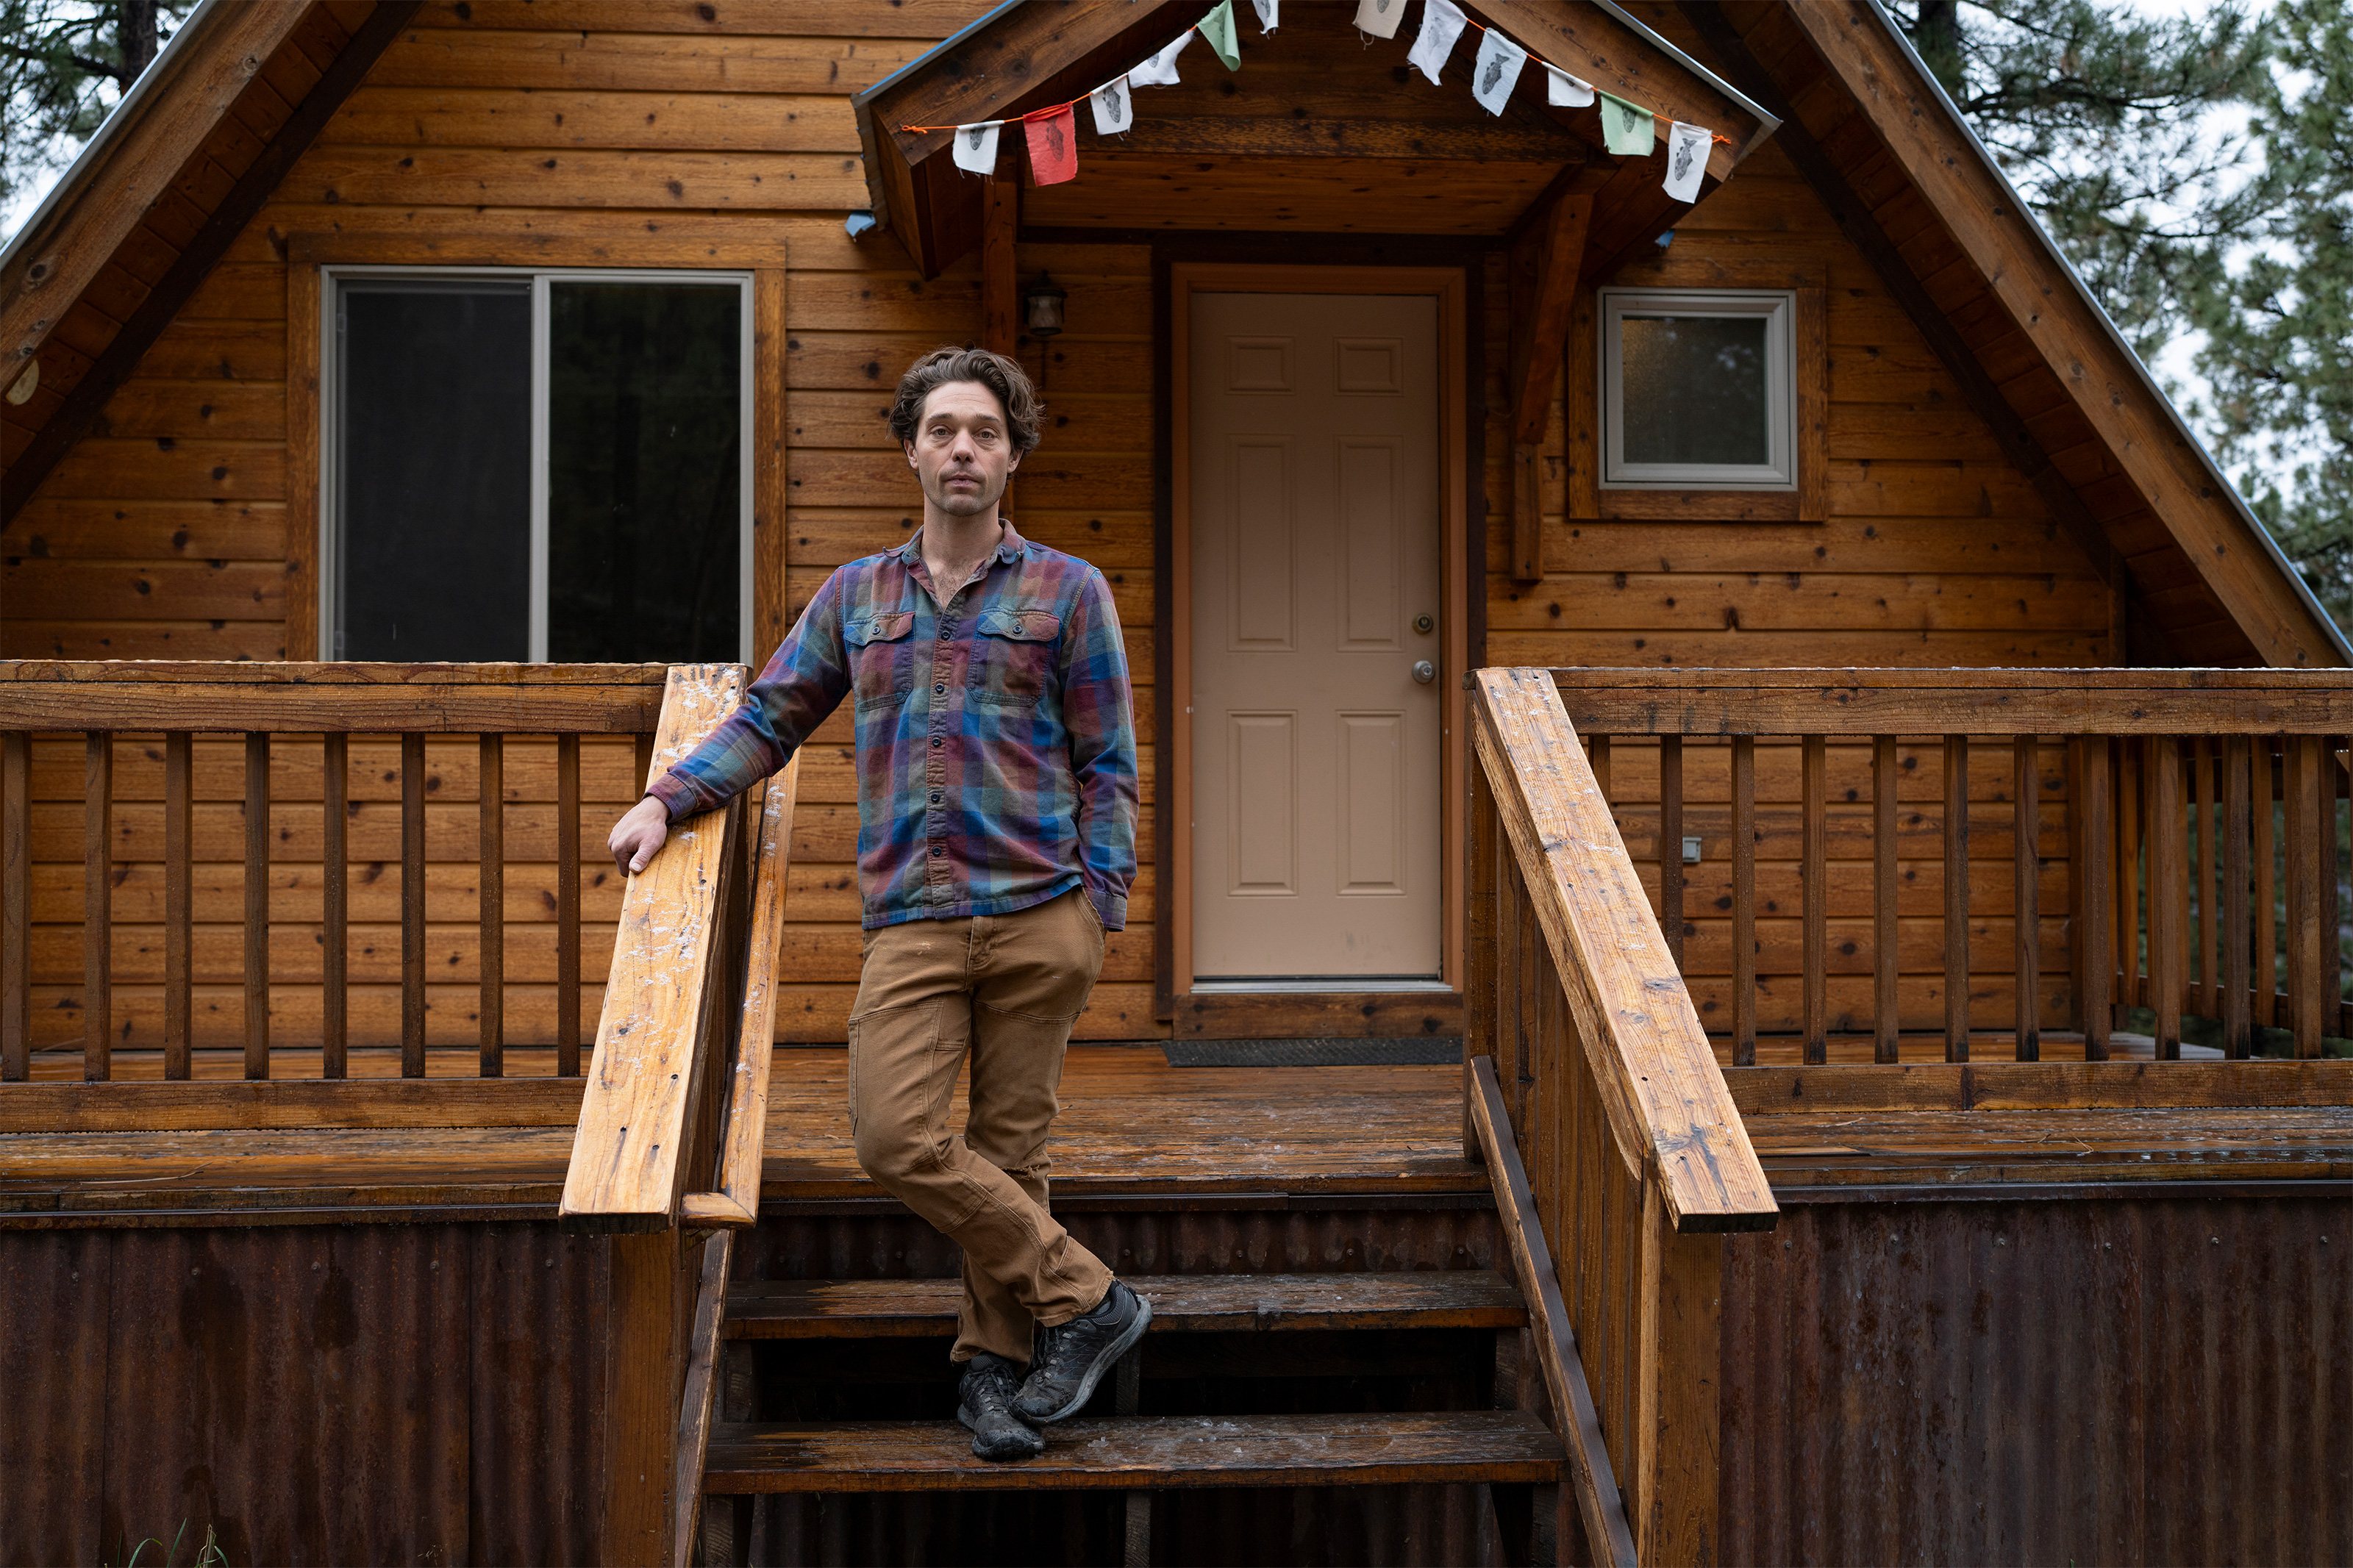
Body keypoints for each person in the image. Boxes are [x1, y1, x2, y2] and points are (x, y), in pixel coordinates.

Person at [606, 347, 1146, 1461]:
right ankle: (1089, 1299)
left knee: (1011, 1144)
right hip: (913, 916)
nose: (963, 447)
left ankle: (993, 1378)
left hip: (1044, 907)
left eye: (985, 432)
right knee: (895, 1134)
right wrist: (669, 798)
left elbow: (1111, 761)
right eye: (943, 428)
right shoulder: (858, 596)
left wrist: (1100, 905)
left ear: (1011, 454)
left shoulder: (1068, 592)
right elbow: (768, 718)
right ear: (911, 446)